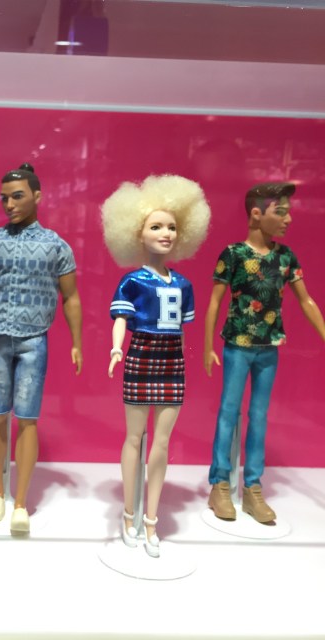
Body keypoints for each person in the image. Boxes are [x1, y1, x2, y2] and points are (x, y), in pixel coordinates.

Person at [0, 163, 82, 534]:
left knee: (27, 419)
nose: (9, 204)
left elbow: (71, 297)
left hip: (33, 340)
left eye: (17, 196)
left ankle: (21, 501)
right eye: (4, 198)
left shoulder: (56, 246)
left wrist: (77, 341)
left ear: (37, 196)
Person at [205, 182, 325, 523]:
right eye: (280, 212)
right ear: (256, 214)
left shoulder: (286, 257)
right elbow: (214, 301)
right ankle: (219, 484)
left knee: (259, 416)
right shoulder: (233, 254)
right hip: (236, 347)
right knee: (228, 412)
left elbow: (306, 300)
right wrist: (207, 347)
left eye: (288, 212)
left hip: (269, 348)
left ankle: (253, 487)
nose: (288, 219)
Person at [103, 175, 210, 557]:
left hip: (172, 361)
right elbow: (121, 319)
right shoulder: (132, 282)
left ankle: (151, 520)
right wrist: (116, 349)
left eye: (172, 227)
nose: (165, 233)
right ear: (136, 232)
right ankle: (128, 514)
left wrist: (185, 358)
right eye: (156, 226)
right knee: (134, 438)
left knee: (162, 443)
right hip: (140, 356)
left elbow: (182, 327)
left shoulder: (183, 284)